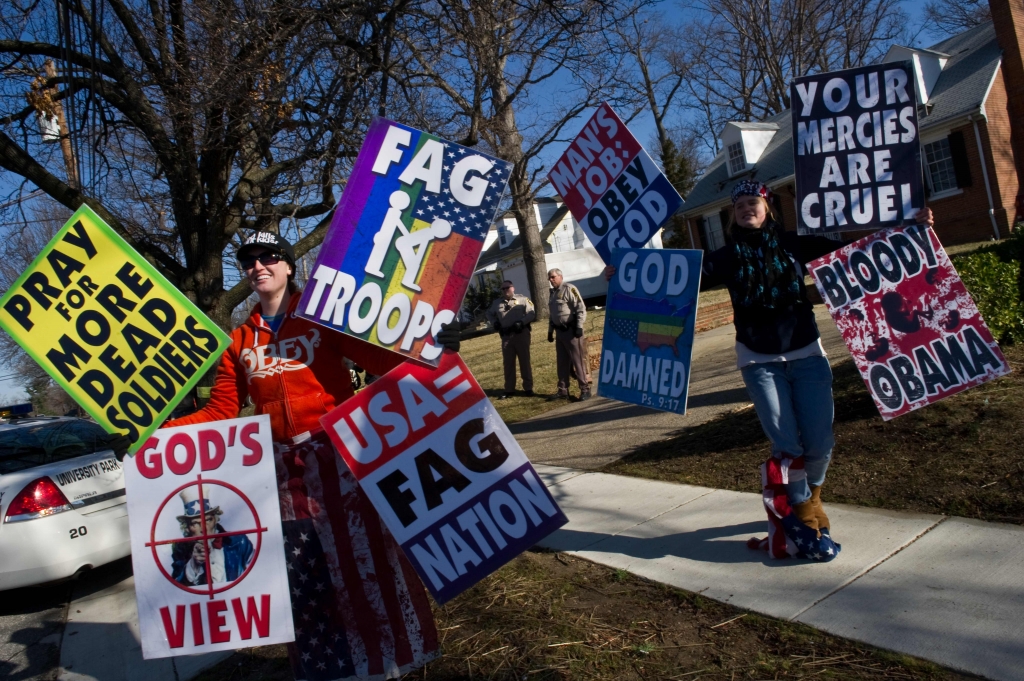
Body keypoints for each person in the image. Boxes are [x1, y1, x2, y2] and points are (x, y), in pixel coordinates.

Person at [166, 231, 459, 679]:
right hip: (283, 474)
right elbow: (220, 410)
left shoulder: (323, 319)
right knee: (306, 569)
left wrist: (435, 346)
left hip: (342, 457)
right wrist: (153, 434)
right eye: (249, 261)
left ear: (287, 266)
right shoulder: (239, 341)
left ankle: (387, 662)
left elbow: (385, 360)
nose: (258, 266)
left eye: (269, 257)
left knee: (366, 557)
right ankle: (331, 667)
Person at [605, 181, 934, 561]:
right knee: (787, 445)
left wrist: (913, 228)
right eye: (740, 204)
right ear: (733, 213)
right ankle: (804, 514)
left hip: (807, 353)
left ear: (768, 207)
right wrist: (626, 273)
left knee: (820, 441)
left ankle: (812, 495)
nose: (747, 208)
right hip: (758, 361)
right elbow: (671, 276)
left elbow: (853, 253)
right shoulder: (724, 257)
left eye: (753, 202)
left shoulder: (795, 244)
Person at [171, 485, 254, 586]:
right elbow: (175, 589)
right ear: (187, 528)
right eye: (195, 523)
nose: (204, 529)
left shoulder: (240, 541)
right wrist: (193, 564)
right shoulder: (181, 549)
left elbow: (259, 573)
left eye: (208, 520)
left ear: (215, 519)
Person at [486, 280, 536, 399]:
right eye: (502, 289)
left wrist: (522, 322)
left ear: (513, 288)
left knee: (524, 362)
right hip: (506, 336)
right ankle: (509, 389)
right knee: (508, 363)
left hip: (521, 334)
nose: (505, 290)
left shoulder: (523, 299)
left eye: (507, 288)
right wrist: (495, 323)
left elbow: (531, 313)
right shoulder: (497, 303)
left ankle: (528, 388)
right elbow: (488, 313)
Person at [547, 268, 590, 400]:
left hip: (571, 332)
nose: (551, 279)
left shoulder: (569, 289)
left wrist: (579, 327)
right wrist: (550, 331)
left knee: (577, 362)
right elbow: (552, 315)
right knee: (562, 362)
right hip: (560, 333)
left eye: (553, 277)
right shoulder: (553, 293)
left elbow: (581, 308)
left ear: (560, 276)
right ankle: (563, 390)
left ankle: (585, 389)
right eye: (549, 277)